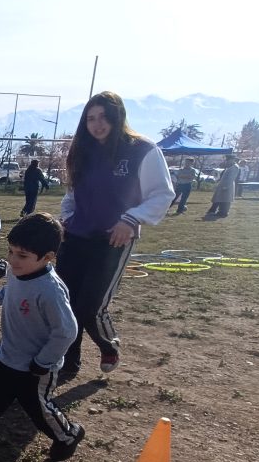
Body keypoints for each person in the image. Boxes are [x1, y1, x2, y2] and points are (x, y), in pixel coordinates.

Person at [56, 91, 173, 380]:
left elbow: (162, 194)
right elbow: (72, 193)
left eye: (104, 117)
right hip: (76, 236)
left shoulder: (142, 150)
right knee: (65, 301)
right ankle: (69, 361)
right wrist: (66, 218)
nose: (97, 124)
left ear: (117, 116)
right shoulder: (81, 150)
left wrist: (131, 220)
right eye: (91, 118)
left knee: (90, 305)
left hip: (114, 238)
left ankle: (108, 345)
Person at [0, 212, 85, 462]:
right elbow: (9, 291)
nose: (13, 260)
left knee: (40, 412)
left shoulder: (50, 290)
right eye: (11, 251)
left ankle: (68, 435)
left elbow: (66, 331)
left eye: (22, 255)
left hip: (35, 370)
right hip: (5, 358)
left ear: (48, 257)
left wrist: (43, 361)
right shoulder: (17, 272)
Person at [203, 153, 239, 220]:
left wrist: (226, 186)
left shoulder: (235, 167)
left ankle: (223, 212)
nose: (227, 161)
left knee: (226, 200)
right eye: (227, 159)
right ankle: (218, 211)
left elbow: (231, 178)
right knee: (220, 198)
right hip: (223, 185)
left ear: (233, 159)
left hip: (227, 186)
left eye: (229, 159)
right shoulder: (230, 166)